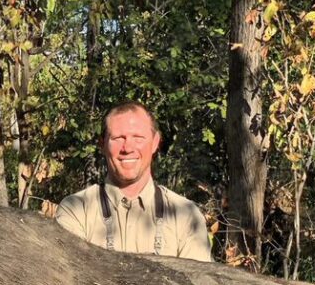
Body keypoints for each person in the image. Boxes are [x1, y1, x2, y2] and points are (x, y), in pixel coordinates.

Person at [56, 102, 212, 261]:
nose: (128, 148)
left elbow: (196, 283)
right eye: (118, 138)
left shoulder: (185, 215)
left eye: (138, 137)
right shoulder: (76, 210)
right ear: (102, 144)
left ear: (155, 142)